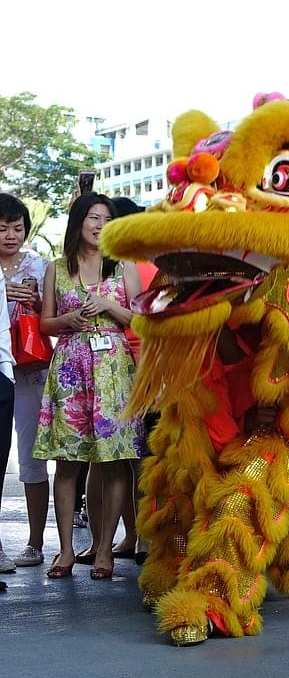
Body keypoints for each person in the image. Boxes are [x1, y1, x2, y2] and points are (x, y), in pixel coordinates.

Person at [33, 192, 144, 580]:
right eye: (93, 217)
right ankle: (64, 550)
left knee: (114, 463)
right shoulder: (55, 268)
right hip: (69, 368)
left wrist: (108, 306)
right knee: (67, 463)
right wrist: (68, 320)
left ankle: (104, 551)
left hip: (114, 370)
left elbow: (140, 320)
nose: (99, 225)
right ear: (79, 221)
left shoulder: (124, 266)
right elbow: (45, 324)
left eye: (106, 219)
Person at [0, 194, 51, 571]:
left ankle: (35, 542)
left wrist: (35, 304)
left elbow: (53, 313)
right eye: (2, 228)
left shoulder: (41, 266)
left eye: (17, 228)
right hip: (1, 366)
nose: (10, 236)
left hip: (31, 369)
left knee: (32, 454)